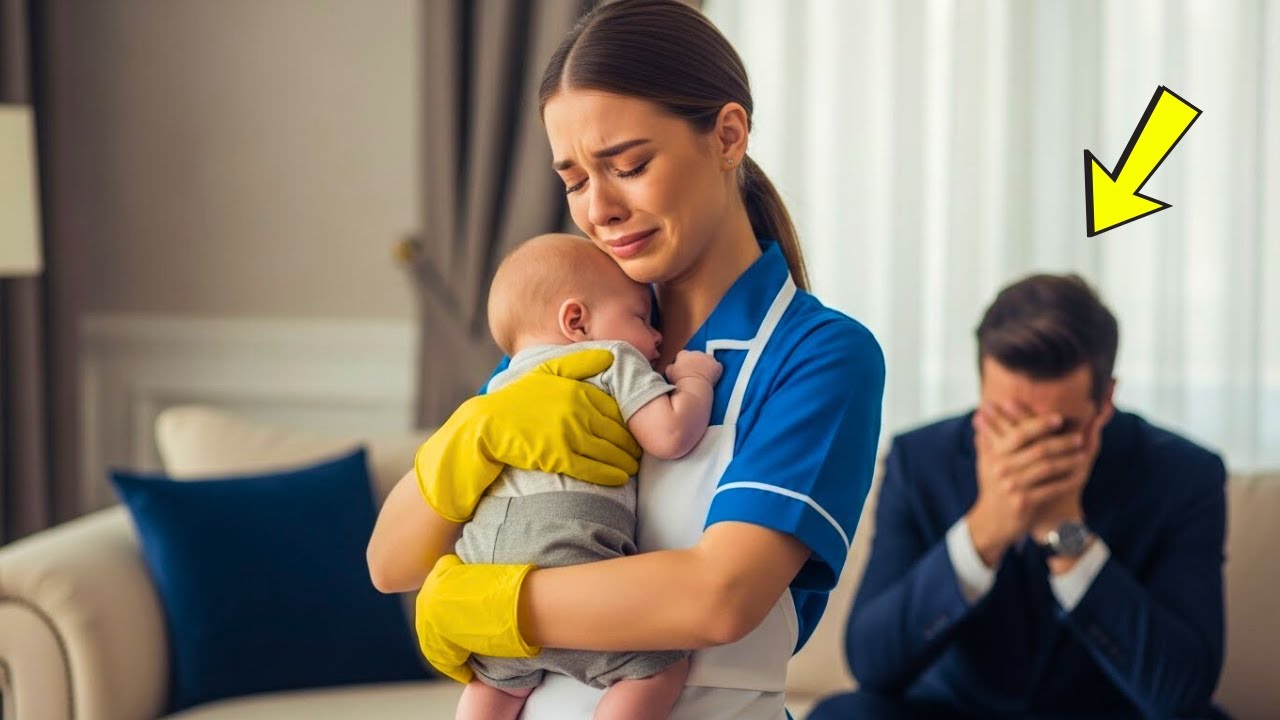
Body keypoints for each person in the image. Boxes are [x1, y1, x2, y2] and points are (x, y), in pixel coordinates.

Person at [365, 1, 886, 718]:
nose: (598, 209)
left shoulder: (819, 356)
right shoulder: (572, 343)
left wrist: (481, 601)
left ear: (727, 136)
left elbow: (717, 598)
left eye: (629, 165)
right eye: (575, 180)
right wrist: (480, 429)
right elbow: (392, 561)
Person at [810, 274, 1228, 720]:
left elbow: (1183, 690)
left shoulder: (1183, 475)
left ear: (1104, 402)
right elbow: (871, 664)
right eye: (1006, 420)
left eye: (1056, 430)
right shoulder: (920, 462)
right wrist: (983, 532)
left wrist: (1066, 536)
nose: (1028, 450)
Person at [450, 232, 724, 720]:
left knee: (492, 687)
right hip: (567, 549)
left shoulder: (500, 386)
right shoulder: (610, 358)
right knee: (661, 668)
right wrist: (695, 380)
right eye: (641, 317)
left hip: (480, 568)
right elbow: (669, 435)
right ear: (576, 321)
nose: (656, 337)